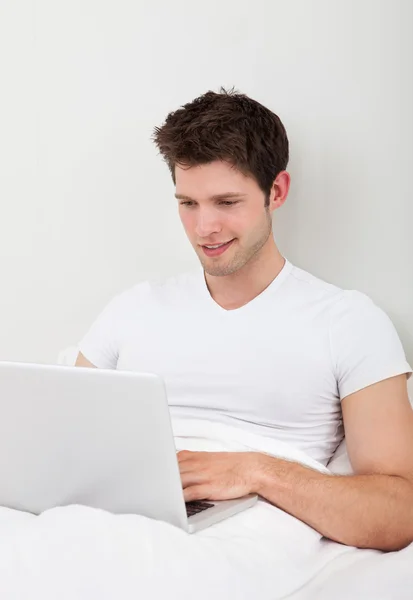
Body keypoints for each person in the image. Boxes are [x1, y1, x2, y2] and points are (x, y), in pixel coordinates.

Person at [75, 89, 413, 551]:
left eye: (226, 202)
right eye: (187, 203)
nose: (203, 228)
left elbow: (400, 509)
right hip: (114, 517)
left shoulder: (348, 322)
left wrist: (254, 470)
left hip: (244, 530)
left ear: (276, 191)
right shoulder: (131, 310)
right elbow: (65, 449)